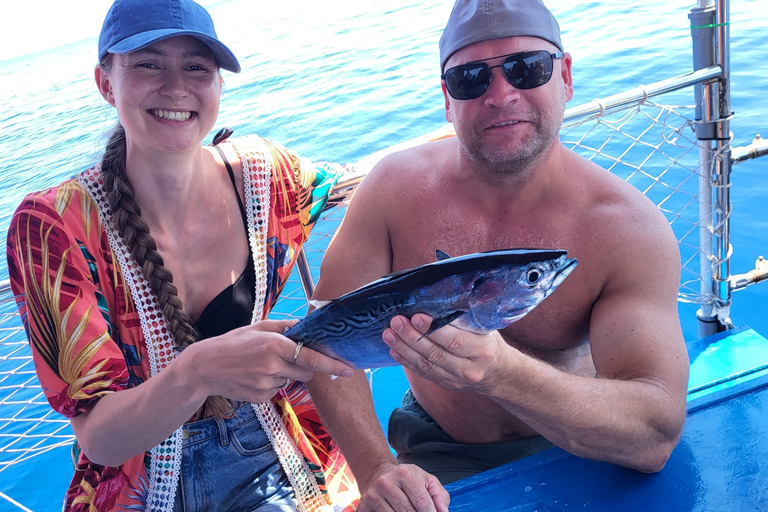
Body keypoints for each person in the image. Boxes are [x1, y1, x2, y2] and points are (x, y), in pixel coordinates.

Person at [306, 0, 690, 510]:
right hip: (435, 445)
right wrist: (376, 467)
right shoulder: (391, 190)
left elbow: (654, 435)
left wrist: (501, 373)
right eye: (471, 79)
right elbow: (322, 343)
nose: (501, 94)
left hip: (583, 437)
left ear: (566, 75)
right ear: (448, 98)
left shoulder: (626, 228)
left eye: (527, 68)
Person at [5, 0, 362, 510]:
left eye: (196, 67)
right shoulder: (54, 227)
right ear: (106, 83)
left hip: (276, 446)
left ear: (218, 85)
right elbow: (98, 439)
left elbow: (361, 186)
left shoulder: (263, 178)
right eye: (148, 63)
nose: (175, 88)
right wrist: (197, 373)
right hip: (140, 481)